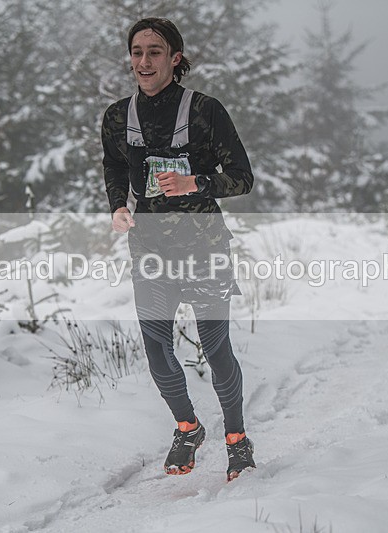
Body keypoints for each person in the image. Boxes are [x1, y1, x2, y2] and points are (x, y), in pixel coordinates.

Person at [101, 17, 255, 482]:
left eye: (154, 51)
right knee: (156, 348)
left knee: (215, 348)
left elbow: (243, 178)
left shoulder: (206, 110)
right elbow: (112, 167)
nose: (143, 61)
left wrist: (196, 182)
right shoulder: (115, 116)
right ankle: (187, 427)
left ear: (175, 58)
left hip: (203, 247)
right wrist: (116, 208)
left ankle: (237, 439)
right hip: (148, 250)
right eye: (136, 51)